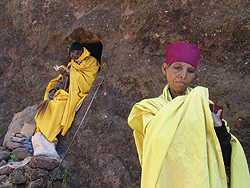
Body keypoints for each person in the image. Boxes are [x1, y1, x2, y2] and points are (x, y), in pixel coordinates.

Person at [128, 42, 250, 188]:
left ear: (195, 75)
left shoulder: (205, 106)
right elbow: (154, 150)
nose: (183, 75)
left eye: (190, 70)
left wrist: (219, 128)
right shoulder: (149, 109)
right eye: (177, 68)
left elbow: (225, 158)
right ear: (165, 69)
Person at [35, 42, 100, 143]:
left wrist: (72, 76)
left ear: (81, 50)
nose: (73, 55)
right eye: (71, 54)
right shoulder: (72, 65)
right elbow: (61, 81)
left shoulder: (92, 62)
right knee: (48, 105)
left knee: (58, 106)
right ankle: (41, 135)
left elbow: (90, 81)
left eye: (74, 51)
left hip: (77, 94)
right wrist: (53, 90)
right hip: (65, 94)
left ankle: (50, 136)